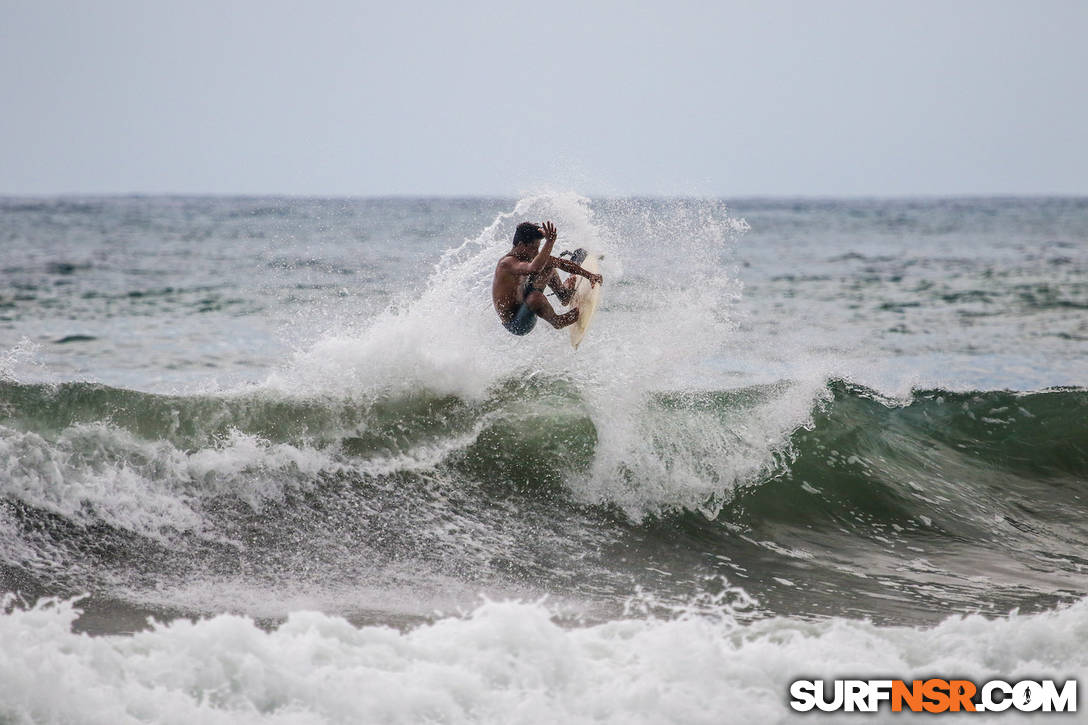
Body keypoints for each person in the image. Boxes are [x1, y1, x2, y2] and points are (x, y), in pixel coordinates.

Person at [492, 221, 602, 336]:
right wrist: (549, 242)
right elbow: (534, 268)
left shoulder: (527, 255)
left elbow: (560, 263)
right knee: (535, 297)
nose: (536, 252)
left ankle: (563, 294)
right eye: (534, 248)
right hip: (517, 323)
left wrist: (589, 275)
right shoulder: (507, 263)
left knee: (547, 264)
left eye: (538, 248)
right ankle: (558, 321)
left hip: (525, 301)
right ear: (520, 245)